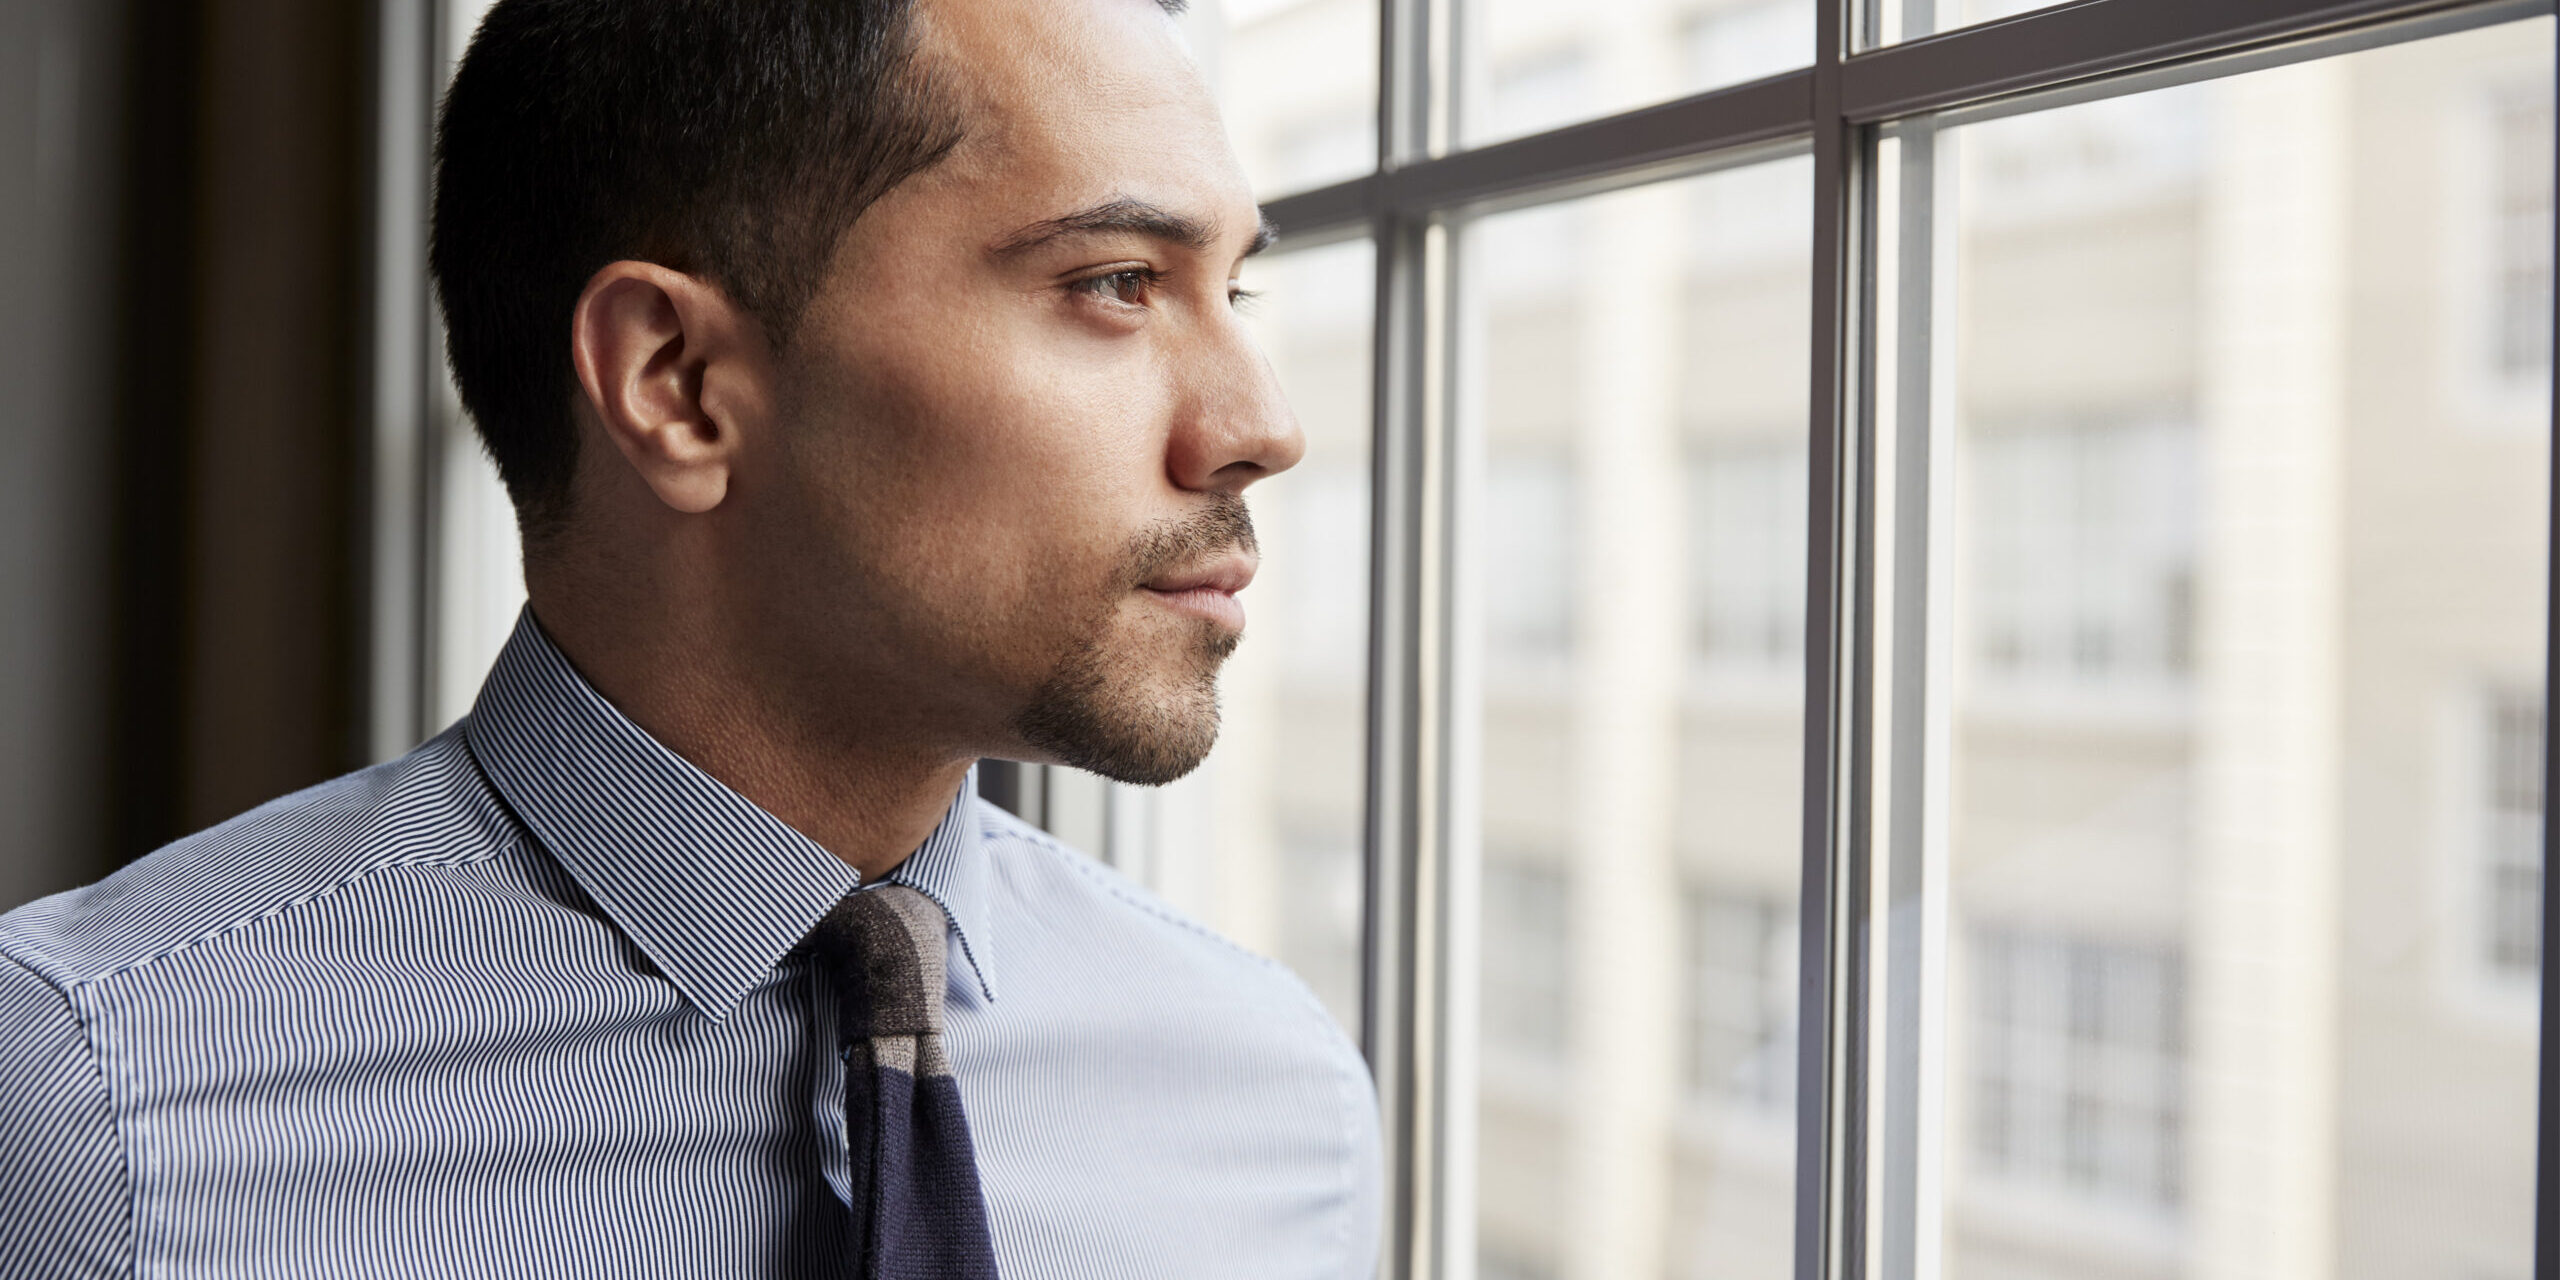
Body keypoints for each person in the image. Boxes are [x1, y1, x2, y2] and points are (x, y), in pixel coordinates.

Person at [0, 0, 1383, 1274]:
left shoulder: (1273, 1108)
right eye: (1119, 282)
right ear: (678, 383)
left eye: (1237, 292)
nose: (1264, 428)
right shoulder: (93, 1098)